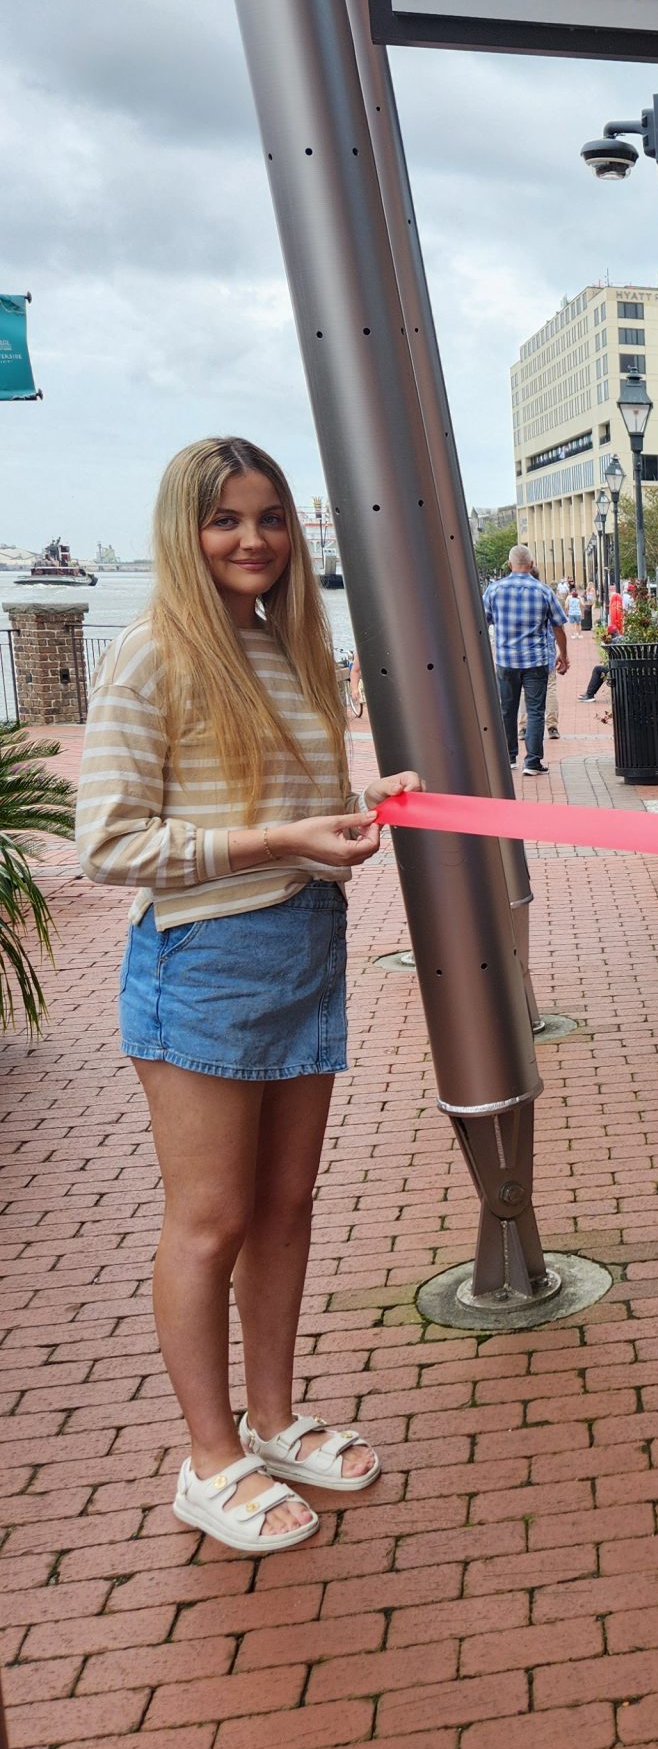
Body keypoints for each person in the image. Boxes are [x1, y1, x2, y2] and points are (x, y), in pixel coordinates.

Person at [75, 437, 422, 1556]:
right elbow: (108, 842)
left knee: (286, 1206)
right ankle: (210, 1457)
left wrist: (365, 802)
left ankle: (273, 1422)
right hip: (206, 962)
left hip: (304, 944)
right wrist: (280, 839)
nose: (254, 539)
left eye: (271, 517)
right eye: (226, 518)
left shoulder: (285, 644)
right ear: (186, 529)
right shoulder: (153, 653)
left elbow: (281, 806)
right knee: (211, 1219)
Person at [482, 545, 569, 775]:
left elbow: (481, 622)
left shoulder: (494, 590)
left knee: (507, 710)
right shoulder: (543, 591)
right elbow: (558, 627)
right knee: (535, 711)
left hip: (506, 660)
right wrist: (563, 655)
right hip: (535, 661)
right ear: (531, 565)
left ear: (510, 564)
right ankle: (532, 762)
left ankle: (509, 757)